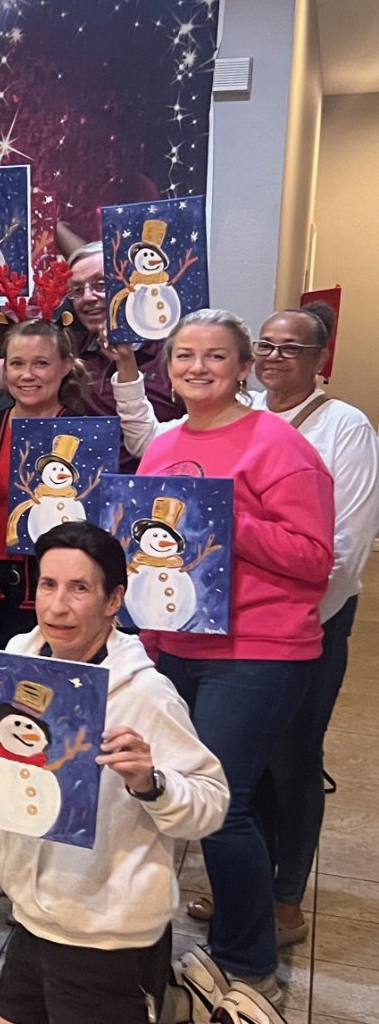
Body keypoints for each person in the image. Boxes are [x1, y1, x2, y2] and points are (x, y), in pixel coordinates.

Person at [0, 523, 229, 1024]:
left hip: (104, 930)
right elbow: (6, 773)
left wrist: (151, 783)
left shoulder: (145, 694)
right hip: (33, 913)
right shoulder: (15, 663)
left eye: (80, 588)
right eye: (48, 585)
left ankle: (176, 1003)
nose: (57, 606)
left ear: (114, 600)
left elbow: (211, 804)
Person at [126, 308, 333, 1004]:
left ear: (243, 367)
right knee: (173, 798)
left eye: (215, 356)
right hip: (176, 646)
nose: (197, 367)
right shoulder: (160, 447)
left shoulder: (280, 446)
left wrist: (224, 518)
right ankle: (202, 944)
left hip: (259, 648)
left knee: (223, 804)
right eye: (184, 354)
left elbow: (314, 560)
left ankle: (250, 965)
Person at [248, 302, 379, 949]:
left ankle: (286, 892)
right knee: (245, 758)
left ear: (320, 358)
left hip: (312, 619)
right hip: (239, 620)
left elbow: (348, 545)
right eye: (265, 345)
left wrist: (293, 616)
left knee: (294, 758)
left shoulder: (345, 427)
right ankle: (248, 879)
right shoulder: (240, 411)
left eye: (290, 348)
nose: (274, 357)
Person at [0, 229, 182, 466]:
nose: (88, 297)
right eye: (77, 290)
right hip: (69, 487)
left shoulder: (173, 356)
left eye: (100, 284)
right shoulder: (69, 349)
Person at [0, 319, 85, 650]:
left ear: (66, 366)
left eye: (41, 363)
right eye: (17, 363)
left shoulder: (87, 434)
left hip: (66, 602)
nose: (27, 375)